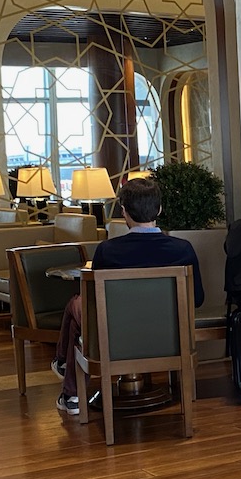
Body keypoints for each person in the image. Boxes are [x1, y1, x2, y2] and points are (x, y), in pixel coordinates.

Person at [51, 177, 203, 416]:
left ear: (124, 212)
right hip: (170, 339)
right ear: (160, 209)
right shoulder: (183, 249)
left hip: (116, 340)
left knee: (77, 304)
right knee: (80, 306)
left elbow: (96, 307)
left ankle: (67, 380)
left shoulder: (108, 250)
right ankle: (65, 377)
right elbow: (197, 300)